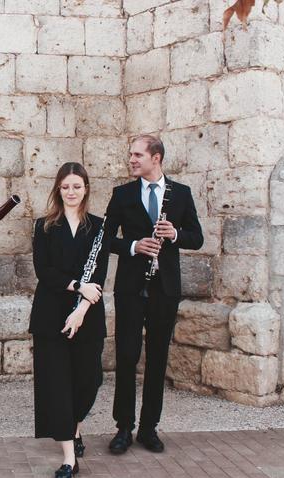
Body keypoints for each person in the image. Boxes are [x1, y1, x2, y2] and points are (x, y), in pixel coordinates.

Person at [104, 135, 203, 455]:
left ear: (155, 158)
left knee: (158, 359)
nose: (131, 159)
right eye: (130, 154)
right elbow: (104, 239)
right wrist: (133, 246)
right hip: (131, 288)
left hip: (164, 289)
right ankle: (123, 428)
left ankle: (148, 428)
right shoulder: (122, 194)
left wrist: (174, 234)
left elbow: (197, 238)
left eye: (137, 155)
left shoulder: (181, 194)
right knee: (126, 356)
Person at [29, 162, 108, 478]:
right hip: (51, 315)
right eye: (66, 187)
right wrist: (76, 287)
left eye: (77, 186)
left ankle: (74, 428)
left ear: (86, 188)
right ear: (58, 190)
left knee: (89, 382)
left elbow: (99, 275)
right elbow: (43, 271)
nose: (71, 192)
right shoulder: (44, 227)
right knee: (58, 386)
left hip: (87, 315)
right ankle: (68, 459)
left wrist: (81, 309)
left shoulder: (100, 226)